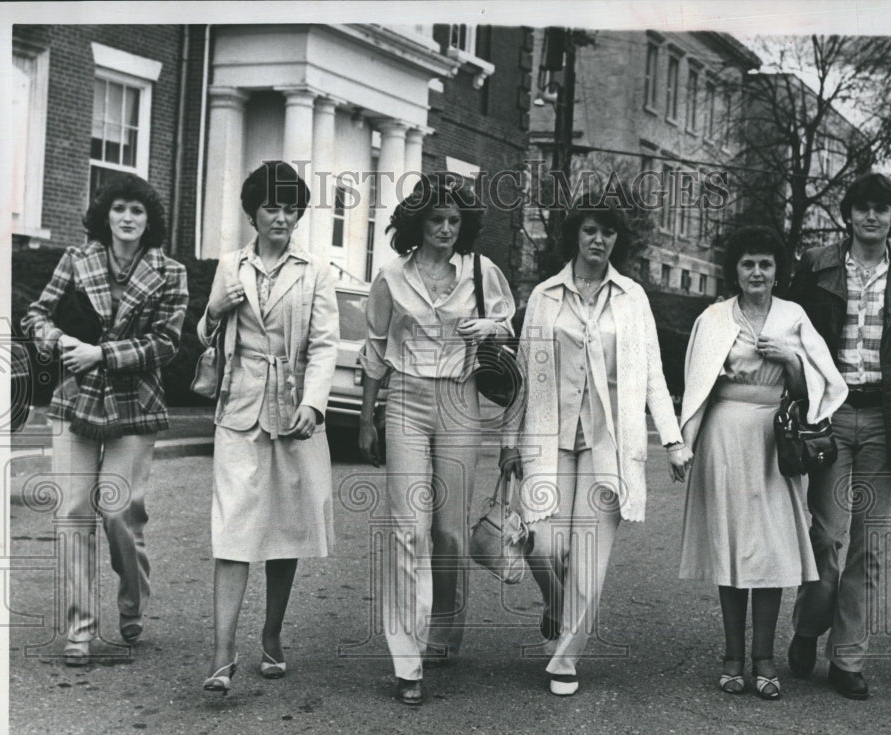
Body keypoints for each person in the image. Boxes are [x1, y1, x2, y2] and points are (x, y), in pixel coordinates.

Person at [500, 198, 693, 697]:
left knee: (588, 557)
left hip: (609, 444)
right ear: (576, 236)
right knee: (544, 544)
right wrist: (508, 439)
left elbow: (653, 374)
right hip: (548, 438)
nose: (598, 240)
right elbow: (522, 373)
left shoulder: (632, 298)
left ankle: (565, 659)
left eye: (607, 232)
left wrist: (672, 441)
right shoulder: (545, 295)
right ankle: (555, 605)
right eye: (590, 230)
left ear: (615, 240)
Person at [787, 173, 891, 700]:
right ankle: (810, 626)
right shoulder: (818, 265)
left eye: (882, 209)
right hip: (830, 415)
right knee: (825, 537)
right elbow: (794, 331)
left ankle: (848, 657)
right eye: (863, 208)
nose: (872, 217)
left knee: (870, 545)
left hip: (886, 418)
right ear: (849, 215)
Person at [359, 177, 515, 706]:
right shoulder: (390, 277)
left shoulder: (480, 270)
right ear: (417, 225)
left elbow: (507, 323)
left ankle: (444, 631)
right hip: (404, 398)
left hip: (459, 398)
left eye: (454, 222)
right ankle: (407, 659)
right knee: (409, 527)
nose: (446, 230)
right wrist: (366, 417)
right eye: (436, 221)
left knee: (448, 530)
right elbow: (377, 350)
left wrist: (486, 329)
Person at [21, 175, 189, 666]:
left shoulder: (170, 272)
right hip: (74, 400)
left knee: (120, 512)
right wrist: (57, 341)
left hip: (134, 403)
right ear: (106, 215)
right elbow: (35, 315)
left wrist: (101, 352)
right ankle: (80, 630)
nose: (128, 218)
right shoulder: (77, 259)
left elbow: (167, 343)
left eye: (138, 210)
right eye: (119, 209)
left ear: (149, 220)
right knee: (73, 512)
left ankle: (133, 602)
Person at [678, 225, 847, 699]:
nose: (757, 272)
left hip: (776, 439)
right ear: (736, 269)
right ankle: (733, 657)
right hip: (726, 434)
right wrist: (683, 443)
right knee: (732, 549)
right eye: (748, 263)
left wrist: (792, 362)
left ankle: (764, 658)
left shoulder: (793, 316)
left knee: (770, 552)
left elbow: (820, 387)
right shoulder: (713, 318)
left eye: (766, 264)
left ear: (777, 272)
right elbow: (698, 385)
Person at [198, 161, 339, 693]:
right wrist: (212, 310)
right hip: (238, 409)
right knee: (232, 528)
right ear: (253, 214)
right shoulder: (231, 265)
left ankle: (272, 633)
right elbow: (206, 334)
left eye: (289, 208)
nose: (281, 217)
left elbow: (325, 344)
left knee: (283, 528)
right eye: (271, 208)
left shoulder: (316, 271)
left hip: (293, 411)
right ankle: (221, 652)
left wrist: (315, 403)